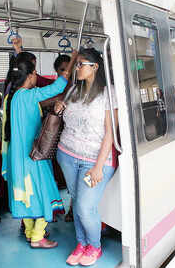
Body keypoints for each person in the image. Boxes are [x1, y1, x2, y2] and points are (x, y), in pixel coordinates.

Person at [1, 51, 78, 248]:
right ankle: (37, 237)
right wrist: (73, 60)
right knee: (46, 191)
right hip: (33, 157)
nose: (36, 76)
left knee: (25, 195)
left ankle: (28, 232)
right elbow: (59, 85)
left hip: (17, 158)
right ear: (29, 76)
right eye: (35, 73)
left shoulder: (14, 97)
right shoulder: (30, 95)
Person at [55, 48, 118, 266]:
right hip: (68, 156)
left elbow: (110, 132)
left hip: (95, 160)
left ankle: (95, 246)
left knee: (84, 207)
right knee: (77, 202)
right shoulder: (74, 90)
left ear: (95, 67)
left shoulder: (109, 93)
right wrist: (60, 105)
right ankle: (81, 244)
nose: (78, 68)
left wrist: (99, 167)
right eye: (78, 64)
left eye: (82, 64)